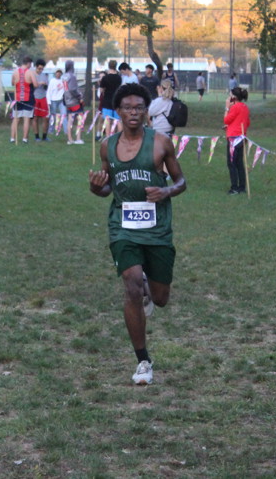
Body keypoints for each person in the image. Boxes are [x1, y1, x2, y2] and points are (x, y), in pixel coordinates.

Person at [89, 83, 186, 385]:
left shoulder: (161, 143)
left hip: (157, 229)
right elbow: (107, 187)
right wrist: (96, 187)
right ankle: (143, 361)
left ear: (146, 111)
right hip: (123, 226)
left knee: (160, 298)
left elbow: (181, 181)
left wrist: (166, 191)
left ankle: (148, 286)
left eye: (139, 108)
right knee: (130, 286)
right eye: (128, 108)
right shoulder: (107, 146)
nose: (134, 113)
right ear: (118, 111)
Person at [224, 87, 250, 194]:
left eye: (230, 95)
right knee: (239, 163)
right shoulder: (245, 107)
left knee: (232, 163)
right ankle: (242, 187)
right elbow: (247, 122)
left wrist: (227, 108)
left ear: (234, 97)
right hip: (241, 137)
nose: (228, 98)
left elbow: (226, 119)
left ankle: (234, 187)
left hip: (233, 139)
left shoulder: (235, 107)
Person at [10, 56, 35, 144]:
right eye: (30, 64)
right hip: (28, 98)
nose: (30, 66)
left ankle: (12, 138)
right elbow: (35, 84)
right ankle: (25, 138)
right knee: (26, 119)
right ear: (28, 63)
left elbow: (12, 83)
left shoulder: (15, 72)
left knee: (16, 119)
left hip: (17, 98)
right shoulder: (30, 72)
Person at [62, 60, 85, 145]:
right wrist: (79, 97)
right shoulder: (72, 76)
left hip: (67, 100)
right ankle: (78, 138)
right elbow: (73, 89)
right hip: (74, 101)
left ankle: (70, 139)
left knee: (70, 120)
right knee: (80, 118)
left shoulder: (64, 76)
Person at [32, 59, 50, 142]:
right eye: (39, 68)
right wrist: (39, 83)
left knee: (46, 118)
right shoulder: (32, 75)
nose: (41, 70)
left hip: (43, 97)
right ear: (36, 67)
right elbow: (31, 86)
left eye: (42, 69)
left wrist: (45, 85)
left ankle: (44, 136)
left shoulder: (44, 75)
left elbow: (47, 88)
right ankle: (37, 136)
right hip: (35, 97)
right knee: (35, 118)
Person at [47, 68, 66, 134]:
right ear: (55, 73)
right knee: (53, 116)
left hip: (61, 100)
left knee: (64, 115)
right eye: (57, 72)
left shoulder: (63, 81)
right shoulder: (52, 81)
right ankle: (51, 129)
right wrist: (49, 101)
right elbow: (49, 91)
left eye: (60, 72)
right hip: (53, 100)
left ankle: (66, 130)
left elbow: (65, 90)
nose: (58, 74)